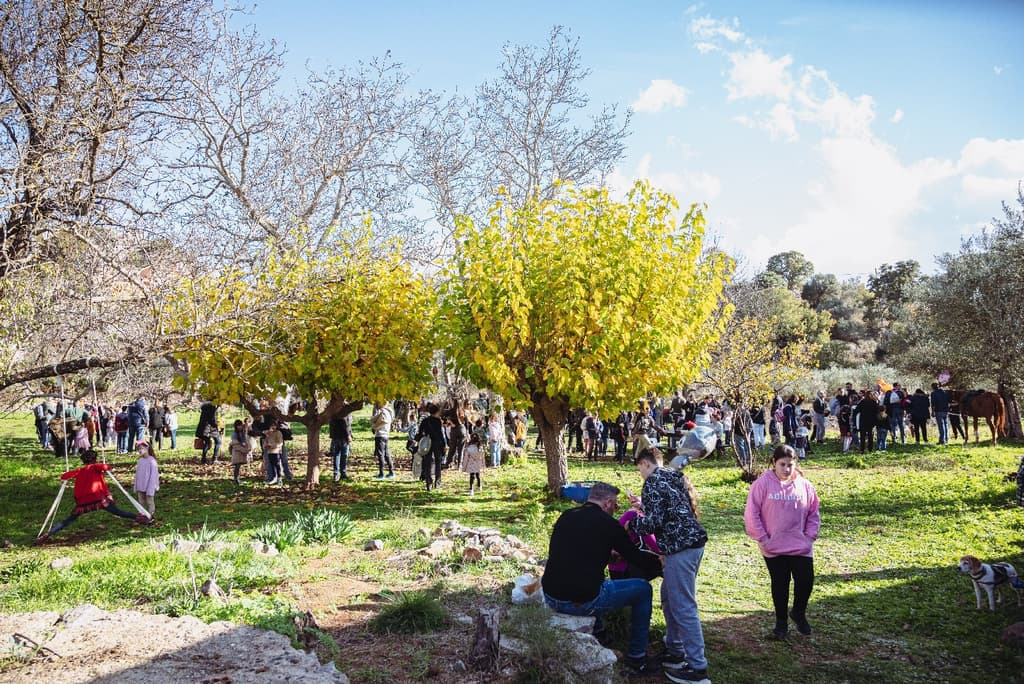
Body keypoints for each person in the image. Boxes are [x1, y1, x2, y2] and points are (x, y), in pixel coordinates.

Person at [542, 481, 661, 676]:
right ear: (607, 503)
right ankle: (637, 658)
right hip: (581, 601)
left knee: (591, 579)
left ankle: (600, 635)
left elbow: (574, 554)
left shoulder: (566, 516)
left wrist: (607, 554)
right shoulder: (609, 525)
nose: (616, 510)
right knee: (642, 589)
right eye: (615, 505)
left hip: (550, 595)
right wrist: (661, 562)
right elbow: (635, 557)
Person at [629, 448, 710, 684]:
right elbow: (670, 508)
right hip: (693, 544)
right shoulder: (672, 475)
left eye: (639, 469)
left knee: (684, 606)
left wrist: (632, 525)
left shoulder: (652, 481)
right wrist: (644, 505)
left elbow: (655, 522)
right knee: (669, 597)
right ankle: (674, 650)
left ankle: (697, 667)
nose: (640, 474)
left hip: (680, 549)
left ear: (644, 463)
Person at [744, 445, 820, 638]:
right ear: (774, 463)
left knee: (805, 581)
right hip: (773, 545)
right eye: (782, 464)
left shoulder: (805, 485)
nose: (786, 469)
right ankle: (781, 624)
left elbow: (813, 512)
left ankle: (798, 612)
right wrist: (763, 538)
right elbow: (752, 513)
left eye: (790, 465)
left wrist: (810, 536)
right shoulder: (762, 484)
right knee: (780, 583)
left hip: (800, 545)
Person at [38, 449, 151, 541]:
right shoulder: (96, 467)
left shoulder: (79, 470)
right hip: (97, 499)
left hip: (82, 502)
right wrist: (101, 465)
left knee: (69, 520)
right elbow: (106, 468)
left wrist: (108, 494)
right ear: (95, 459)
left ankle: (49, 533)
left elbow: (64, 476)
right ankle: (141, 518)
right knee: (118, 511)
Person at [416, 403, 446, 490]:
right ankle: (438, 482)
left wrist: (419, 441)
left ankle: (428, 482)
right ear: (437, 412)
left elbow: (420, 432)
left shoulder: (425, 421)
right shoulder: (437, 421)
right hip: (437, 443)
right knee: (438, 463)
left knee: (427, 462)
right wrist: (444, 444)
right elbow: (441, 434)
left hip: (427, 443)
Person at [133, 441, 159, 516]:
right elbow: (137, 475)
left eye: (142, 448)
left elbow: (153, 476)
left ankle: (151, 515)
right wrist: (136, 486)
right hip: (141, 486)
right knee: (141, 502)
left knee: (150, 502)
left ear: (147, 448)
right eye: (139, 449)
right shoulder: (140, 461)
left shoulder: (152, 461)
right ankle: (142, 515)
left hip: (149, 487)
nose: (140, 450)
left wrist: (151, 488)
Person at [371, 401, 395, 479]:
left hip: (380, 435)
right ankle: (391, 472)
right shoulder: (389, 411)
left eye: (378, 403)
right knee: (386, 454)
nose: (376, 404)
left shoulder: (383, 412)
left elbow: (381, 421)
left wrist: (374, 427)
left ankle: (381, 474)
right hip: (386, 435)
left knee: (381, 454)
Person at [328, 412, 353, 481]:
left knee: (337, 455)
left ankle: (337, 473)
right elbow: (345, 423)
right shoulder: (345, 409)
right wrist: (348, 435)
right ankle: (342, 473)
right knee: (343, 455)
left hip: (335, 435)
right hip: (343, 436)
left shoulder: (333, 408)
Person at [229, 419, 253, 486]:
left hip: (242, 450)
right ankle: (235, 478)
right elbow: (235, 443)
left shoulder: (242, 432)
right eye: (238, 426)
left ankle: (237, 478)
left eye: (240, 425)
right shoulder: (235, 434)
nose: (239, 427)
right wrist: (244, 448)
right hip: (237, 451)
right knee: (237, 465)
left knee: (239, 465)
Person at [263, 420, 285, 485]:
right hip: (270, 451)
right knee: (272, 465)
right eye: (271, 425)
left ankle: (279, 478)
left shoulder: (278, 433)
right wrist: (266, 445)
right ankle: (274, 478)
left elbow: (280, 443)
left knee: (277, 465)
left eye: (274, 425)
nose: (273, 427)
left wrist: (272, 445)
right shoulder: (268, 433)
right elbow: (265, 441)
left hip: (276, 451)